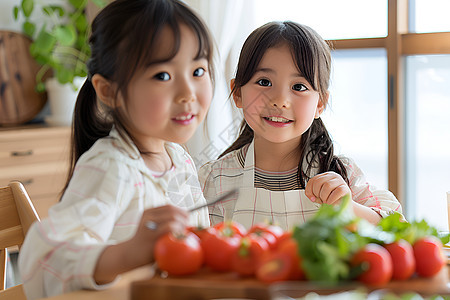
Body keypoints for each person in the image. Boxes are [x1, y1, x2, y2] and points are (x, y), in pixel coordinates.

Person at [18, 0, 214, 298]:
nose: (188, 93)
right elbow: (45, 260)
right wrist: (127, 253)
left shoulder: (179, 158)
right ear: (109, 91)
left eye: (198, 71)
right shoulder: (111, 167)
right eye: (163, 75)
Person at [198, 21, 403, 231]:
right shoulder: (212, 180)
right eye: (264, 82)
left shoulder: (341, 174)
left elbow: (396, 227)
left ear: (320, 103)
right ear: (238, 93)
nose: (280, 100)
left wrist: (348, 208)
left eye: (299, 86)